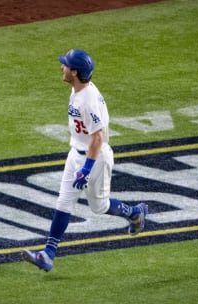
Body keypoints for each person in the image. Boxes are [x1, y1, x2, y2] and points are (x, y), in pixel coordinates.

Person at [21, 49, 148, 272]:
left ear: (75, 72)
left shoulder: (87, 100)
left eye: (66, 65)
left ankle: (135, 214)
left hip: (96, 158)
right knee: (63, 202)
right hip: (76, 154)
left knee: (99, 206)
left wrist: (86, 169)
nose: (62, 67)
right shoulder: (79, 89)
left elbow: (98, 137)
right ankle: (48, 254)